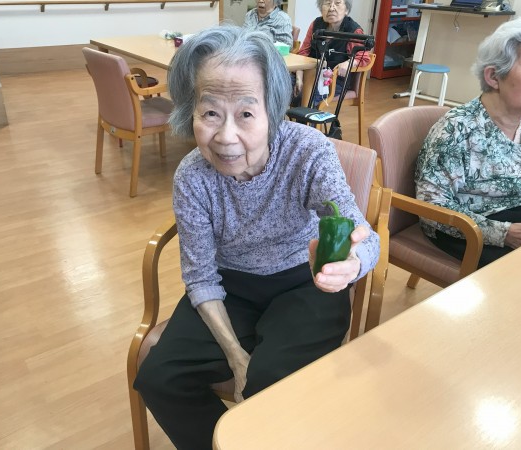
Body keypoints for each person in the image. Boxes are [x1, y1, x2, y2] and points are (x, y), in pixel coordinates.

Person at [133, 25, 379, 450]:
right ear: (190, 111)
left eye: (246, 114)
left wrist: (353, 262)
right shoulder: (192, 177)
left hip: (303, 282)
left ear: (273, 111)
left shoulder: (308, 151)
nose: (226, 137)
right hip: (232, 288)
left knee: (268, 383)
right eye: (210, 113)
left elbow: (363, 234)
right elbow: (201, 277)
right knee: (159, 378)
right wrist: (235, 356)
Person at [415, 16, 521, 269]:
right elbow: (431, 208)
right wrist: (505, 233)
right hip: (473, 230)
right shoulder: (456, 129)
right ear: (494, 76)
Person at [294, 0, 371, 108]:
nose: (331, 8)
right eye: (327, 3)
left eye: (337, 3)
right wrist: (299, 78)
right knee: (281, 86)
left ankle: (305, 118)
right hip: (309, 75)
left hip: (334, 81)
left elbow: (364, 58)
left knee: (306, 96)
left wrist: (349, 63)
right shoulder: (316, 24)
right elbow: (303, 53)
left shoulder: (353, 30)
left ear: (346, 9)